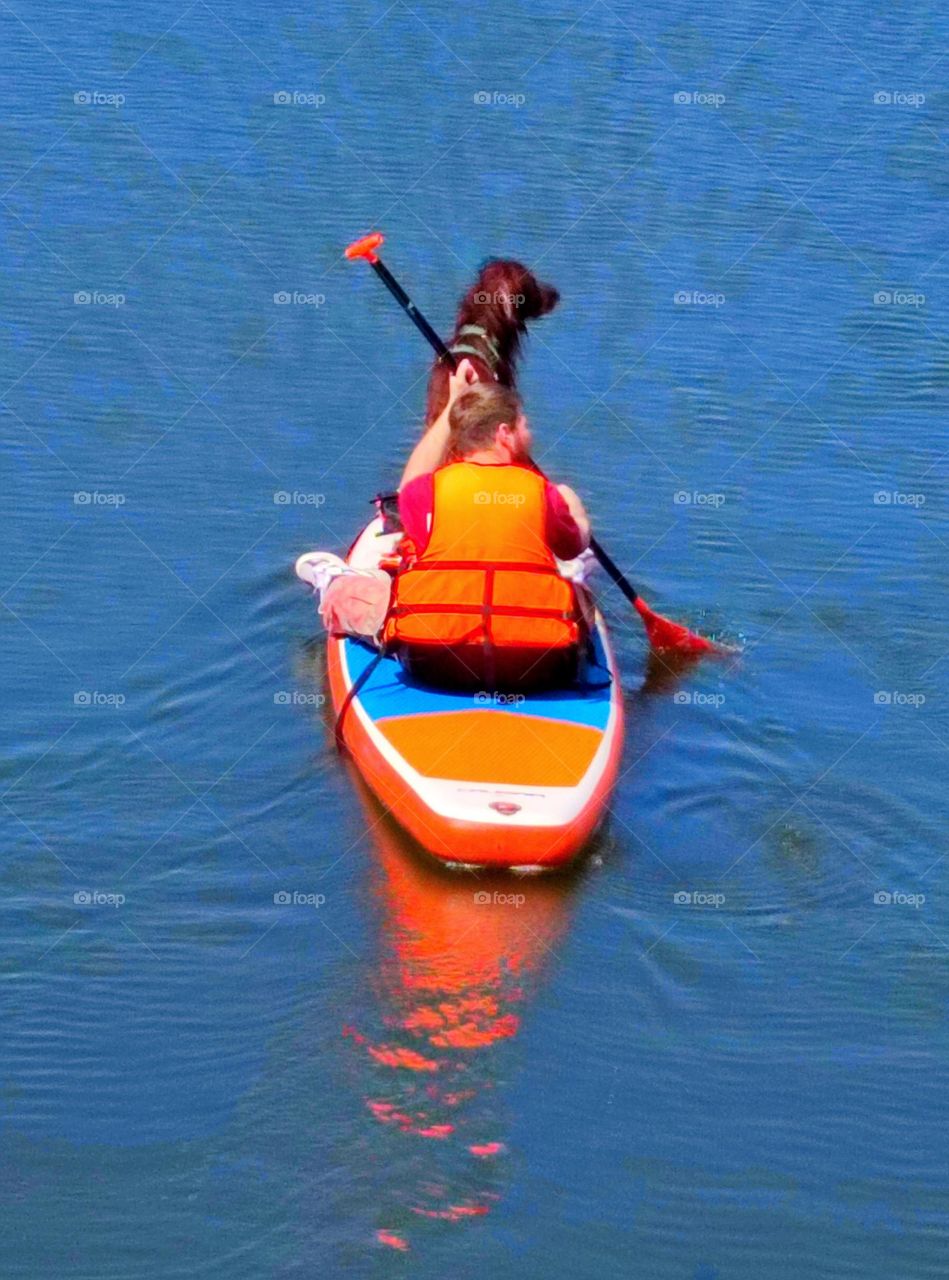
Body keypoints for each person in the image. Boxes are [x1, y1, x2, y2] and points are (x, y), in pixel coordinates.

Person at [296, 360, 594, 692]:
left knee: (353, 595)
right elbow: (575, 545)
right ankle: (574, 579)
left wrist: (452, 405)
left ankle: (334, 581)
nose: (531, 433)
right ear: (505, 434)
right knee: (579, 594)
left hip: (433, 661)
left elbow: (407, 488)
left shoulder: (430, 491)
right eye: (525, 425)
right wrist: (576, 511)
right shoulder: (545, 492)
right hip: (537, 666)